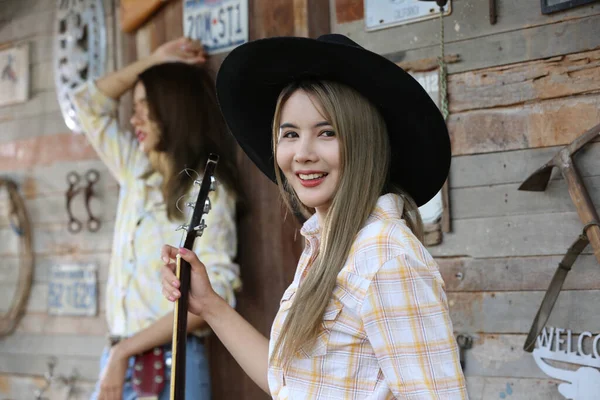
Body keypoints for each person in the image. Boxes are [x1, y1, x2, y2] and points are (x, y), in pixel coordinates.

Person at [161, 34, 467, 399]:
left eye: (326, 133)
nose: (302, 153)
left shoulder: (387, 257)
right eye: (289, 134)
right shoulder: (327, 246)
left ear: (363, 142)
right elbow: (288, 385)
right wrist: (210, 306)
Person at [70, 37, 241, 400]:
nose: (135, 118)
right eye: (135, 106)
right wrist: (151, 61)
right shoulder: (135, 173)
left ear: (173, 109)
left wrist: (124, 351)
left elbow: (217, 294)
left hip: (168, 363)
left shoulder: (208, 193)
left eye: (147, 106)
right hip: (117, 359)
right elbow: (86, 104)